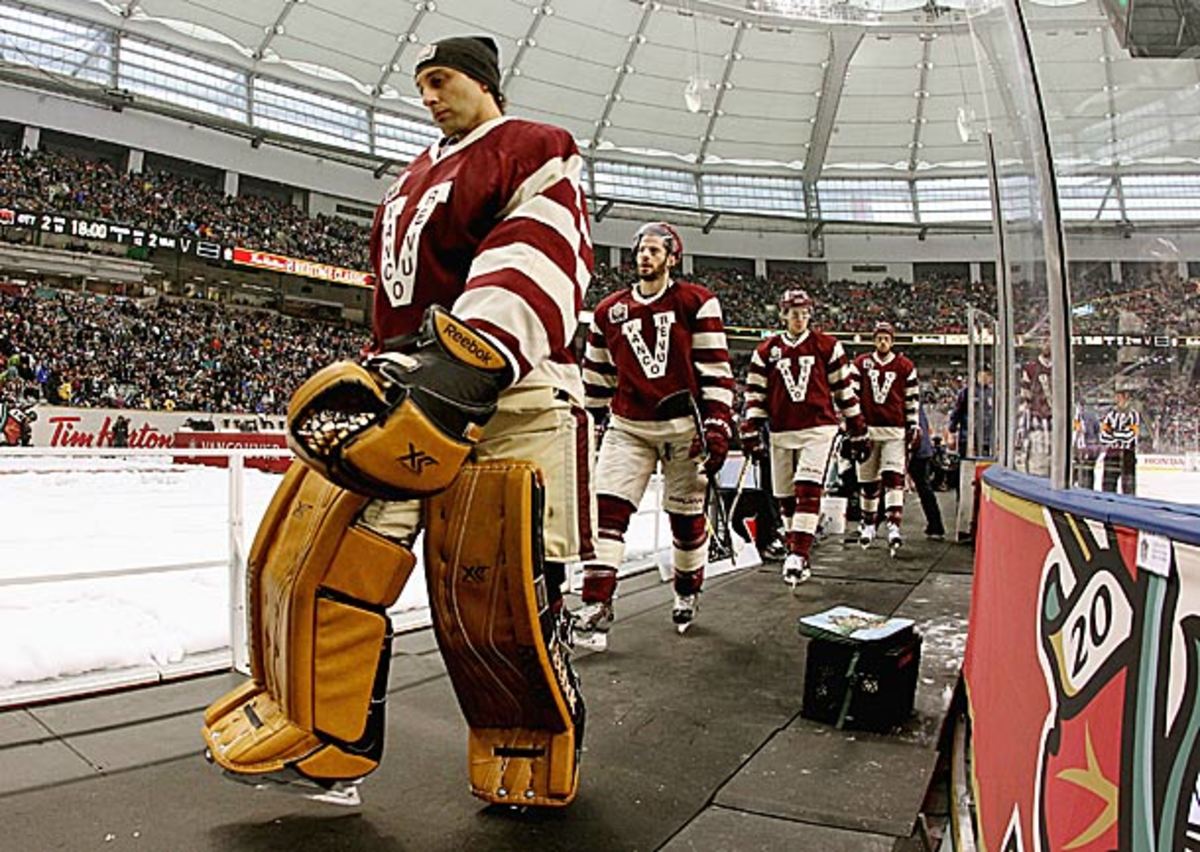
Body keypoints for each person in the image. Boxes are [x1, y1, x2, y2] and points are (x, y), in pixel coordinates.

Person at [204, 35, 594, 807]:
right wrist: (396, 369)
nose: (427, 96)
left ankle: (532, 743)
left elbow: (541, 253)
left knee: (501, 578)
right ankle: (329, 741)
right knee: (338, 551)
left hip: (509, 383)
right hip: (412, 387)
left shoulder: (532, 147)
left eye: (441, 80)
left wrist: (468, 362)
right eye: (420, 84)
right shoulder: (411, 177)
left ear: (483, 83)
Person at [577, 221, 734, 647]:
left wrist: (719, 424)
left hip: (685, 429)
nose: (644, 256)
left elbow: (715, 372)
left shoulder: (697, 303)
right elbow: (595, 381)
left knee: (685, 520)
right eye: (641, 250)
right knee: (606, 513)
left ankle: (686, 590)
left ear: (671, 258)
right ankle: (596, 602)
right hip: (628, 426)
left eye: (653, 250)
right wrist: (589, 428)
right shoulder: (608, 311)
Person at [740, 289, 868, 587]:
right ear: (783, 315)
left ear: (810, 314)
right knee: (785, 497)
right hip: (781, 431)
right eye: (794, 312)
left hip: (818, 428)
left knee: (807, 487)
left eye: (804, 312)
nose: (799, 317)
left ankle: (797, 553)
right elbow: (756, 393)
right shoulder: (766, 350)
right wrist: (750, 428)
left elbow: (843, 391)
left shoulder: (827, 346)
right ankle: (797, 548)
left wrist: (857, 426)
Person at [851, 321, 919, 556]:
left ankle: (893, 524)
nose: (882, 342)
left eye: (886, 338)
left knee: (893, 477)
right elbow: (852, 397)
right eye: (879, 338)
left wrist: (913, 425)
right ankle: (869, 523)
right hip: (867, 431)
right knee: (868, 482)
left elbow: (911, 399)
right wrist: (852, 427)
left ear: (892, 340)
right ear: (874, 340)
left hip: (894, 431)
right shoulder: (861, 364)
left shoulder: (905, 366)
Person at [908, 403, 946, 540]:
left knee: (889, 484)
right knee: (925, 489)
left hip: (915, 450)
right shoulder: (915, 403)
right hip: (922, 450)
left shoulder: (905, 403)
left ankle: (872, 524)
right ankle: (935, 526)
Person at [1017, 343, 1053, 476]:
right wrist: (1021, 431)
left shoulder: (1062, 367)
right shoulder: (1030, 368)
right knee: (1038, 468)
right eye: (1044, 341)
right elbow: (1024, 400)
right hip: (1037, 426)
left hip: (1056, 427)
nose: (1047, 344)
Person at [946, 367, 994, 464]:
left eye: (988, 375)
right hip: (968, 435)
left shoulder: (991, 393)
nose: (987, 378)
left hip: (986, 436)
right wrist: (952, 430)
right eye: (984, 375)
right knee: (966, 462)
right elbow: (957, 411)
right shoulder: (967, 392)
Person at [1100, 388, 1140, 495]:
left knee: (1128, 488)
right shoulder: (1110, 415)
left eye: (1120, 396)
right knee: (1108, 486)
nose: (1117, 399)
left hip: (1127, 453)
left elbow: (1130, 435)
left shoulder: (1133, 415)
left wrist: (1113, 433)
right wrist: (1120, 433)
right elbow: (1103, 436)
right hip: (1112, 453)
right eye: (1116, 396)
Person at [1072, 400, 1101, 490]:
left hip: (1087, 450)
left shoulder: (1089, 417)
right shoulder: (1074, 418)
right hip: (1079, 451)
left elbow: (1096, 432)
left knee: (1086, 475)